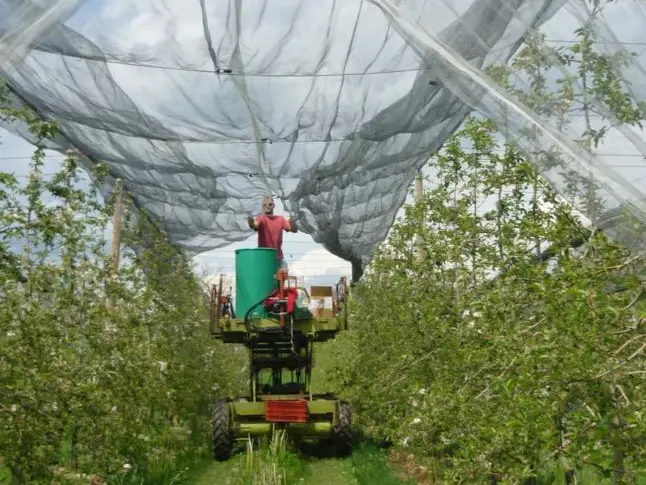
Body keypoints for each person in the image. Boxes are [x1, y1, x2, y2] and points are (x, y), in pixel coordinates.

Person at [247, 196, 297, 269]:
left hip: (278, 257)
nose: (267, 206)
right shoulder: (261, 218)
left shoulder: (280, 219)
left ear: (274, 206)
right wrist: (251, 222)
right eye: (265, 205)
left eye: (270, 204)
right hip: (264, 257)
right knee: (265, 278)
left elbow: (294, 230)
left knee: (283, 272)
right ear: (262, 207)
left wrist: (292, 223)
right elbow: (254, 225)